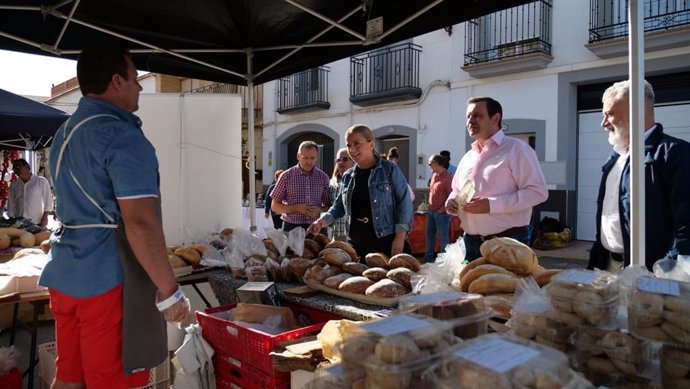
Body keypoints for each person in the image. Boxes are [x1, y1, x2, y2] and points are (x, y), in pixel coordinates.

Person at [39, 44, 189, 389]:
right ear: (117, 81)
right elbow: (140, 221)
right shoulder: (123, 136)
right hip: (107, 283)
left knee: (69, 379)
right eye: (135, 79)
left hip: (65, 276)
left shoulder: (64, 132)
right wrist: (169, 292)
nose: (139, 87)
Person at [587, 79, 690, 272]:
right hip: (608, 266)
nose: (603, 123)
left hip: (650, 274)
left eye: (609, 114)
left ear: (636, 112)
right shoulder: (615, 157)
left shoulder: (676, 154)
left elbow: (686, 224)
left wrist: (668, 270)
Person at [446, 97, 548, 262]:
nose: (470, 121)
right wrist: (451, 201)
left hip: (506, 243)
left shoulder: (517, 149)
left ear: (496, 118)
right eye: (468, 117)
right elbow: (456, 190)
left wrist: (492, 205)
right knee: (468, 288)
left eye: (477, 115)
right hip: (470, 242)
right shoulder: (468, 157)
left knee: (506, 288)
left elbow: (538, 193)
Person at [309, 125, 413, 257]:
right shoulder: (348, 176)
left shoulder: (389, 169)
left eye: (356, 143)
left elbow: (404, 203)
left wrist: (399, 237)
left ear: (371, 143)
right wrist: (321, 222)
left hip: (386, 241)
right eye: (349, 145)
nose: (352, 149)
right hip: (356, 244)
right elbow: (338, 207)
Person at [271, 141, 331, 232]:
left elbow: (329, 205)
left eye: (312, 158)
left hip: (316, 227)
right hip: (291, 227)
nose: (309, 161)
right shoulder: (286, 176)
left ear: (317, 157)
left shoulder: (323, 177)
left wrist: (319, 210)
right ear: (298, 156)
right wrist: (296, 208)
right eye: (305, 157)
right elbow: (274, 206)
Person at [7, 158, 54, 226]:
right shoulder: (14, 184)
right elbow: (10, 202)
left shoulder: (40, 181)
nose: (16, 170)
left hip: (36, 221)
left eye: (18, 166)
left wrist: (45, 217)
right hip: (19, 222)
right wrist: (11, 218)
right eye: (14, 168)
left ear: (26, 166)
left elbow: (48, 201)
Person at [425, 154, 453, 262]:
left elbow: (453, 196)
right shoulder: (434, 175)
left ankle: (443, 260)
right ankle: (428, 257)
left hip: (442, 214)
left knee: (443, 238)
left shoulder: (448, 178)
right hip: (431, 211)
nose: (429, 166)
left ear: (436, 164)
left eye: (430, 164)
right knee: (429, 235)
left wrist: (443, 209)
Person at [329, 148, 355, 241]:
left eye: (345, 159)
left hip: (353, 233)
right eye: (338, 160)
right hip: (335, 234)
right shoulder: (331, 183)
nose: (341, 162)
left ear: (353, 161)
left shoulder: (358, 181)